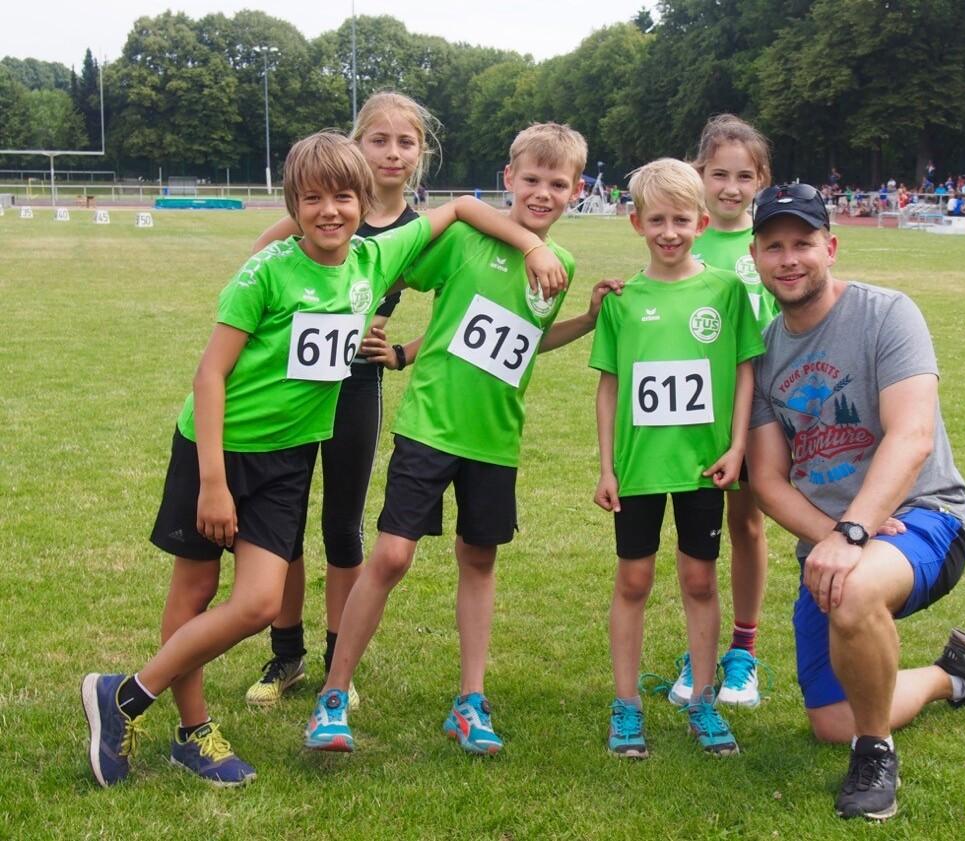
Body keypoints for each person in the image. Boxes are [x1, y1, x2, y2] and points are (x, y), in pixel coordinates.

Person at [79, 130, 568, 788]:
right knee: (195, 589)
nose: (330, 210)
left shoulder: (373, 258)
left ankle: (124, 693)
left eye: (344, 196)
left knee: (256, 604)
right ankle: (190, 730)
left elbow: (456, 210)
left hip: (286, 460)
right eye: (312, 199)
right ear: (292, 204)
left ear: (366, 202)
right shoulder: (269, 268)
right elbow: (209, 377)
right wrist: (214, 483)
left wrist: (533, 243)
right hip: (215, 449)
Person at [303, 123, 616, 756]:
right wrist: (379, 333)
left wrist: (584, 319)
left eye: (558, 184)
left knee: (479, 560)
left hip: (495, 437)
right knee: (391, 557)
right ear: (509, 179)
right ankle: (334, 696)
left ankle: (470, 701)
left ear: (578, 191)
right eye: (531, 179)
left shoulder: (564, 263)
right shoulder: (468, 237)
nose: (542, 193)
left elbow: (517, 337)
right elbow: (392, 267)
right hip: (431, 426)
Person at [745, 183, 965, 820]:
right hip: (839, 538)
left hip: (925, 517)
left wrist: (855, 532)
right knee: (829, 720)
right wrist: (833, 534)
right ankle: (952, 676)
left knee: (855, 587)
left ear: (831, 247)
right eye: (774, 246)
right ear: (757, 257)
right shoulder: (762, 353)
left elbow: (913, 435)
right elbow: (767, 480)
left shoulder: (886, 313)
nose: (790, 259)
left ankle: (876, 756)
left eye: (804, 244)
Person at [244, 91, 435, 712]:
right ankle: (286, 654)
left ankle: (338, 663)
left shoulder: (414, 230)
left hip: (355, 385)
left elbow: (468, 297)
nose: (391, 152)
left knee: (343, 526)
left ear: (419, 154)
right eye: (378, 140)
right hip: (294, 390)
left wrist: (402, 349)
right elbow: (257, 270)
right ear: (358, 145)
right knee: (285, 523)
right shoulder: (320, 209)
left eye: (405, 142)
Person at [591, 158, 764, 759]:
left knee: (698, 577)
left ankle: (704, 702)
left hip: (702, 467)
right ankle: (626, 704)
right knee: (633, 579)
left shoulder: (725, 290)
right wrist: (608, 466)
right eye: (657, 219)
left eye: (682, 220)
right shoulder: (622, 300)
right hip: (639, 468)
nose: (670, 232)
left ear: (701, 221)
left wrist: (739, 445)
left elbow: (744, 370)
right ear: (636, 222)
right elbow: (609, 386)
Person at [680, 114, 775, 709]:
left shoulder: (770, 239)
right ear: (700, 175)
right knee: (696, 535)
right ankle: (700, 650)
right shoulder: (688, 234)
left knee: (747, 523)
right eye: (720, 174)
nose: (732, 187)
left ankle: (743, 650)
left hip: (763, 405)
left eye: (745, 176)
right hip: (699, 408)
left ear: (762, 179)